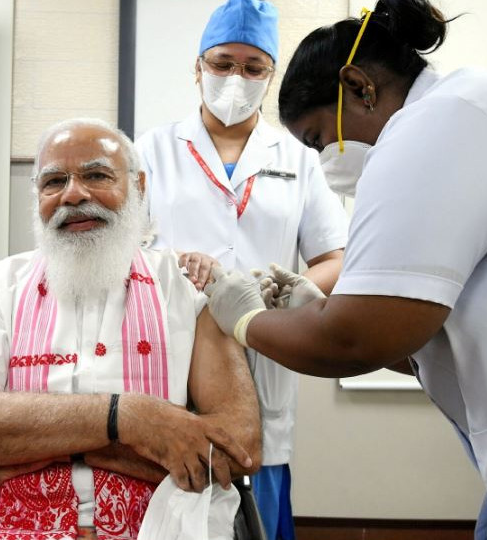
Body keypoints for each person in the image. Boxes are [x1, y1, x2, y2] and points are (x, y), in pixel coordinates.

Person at [203, 0, 487, 538]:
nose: (323, 159)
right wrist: (320, 311)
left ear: (359, 87)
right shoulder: (457, 113)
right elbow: (417, 335)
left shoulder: (432, 128)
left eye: (318, 139)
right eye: (220, 64)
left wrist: (244, 317)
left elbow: (354, 341)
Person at [0, 118, 262, 540]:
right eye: (54, 181)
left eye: (96, 175)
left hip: (159, 524)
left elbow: (239, 447)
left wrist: (38, 444)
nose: (73, 193)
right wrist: (131, 419)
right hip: (10, 522)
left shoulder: (186, 288)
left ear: (138, 186)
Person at [134, 1, 349, 538]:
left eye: (254, 68)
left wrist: (282, 292)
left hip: (265, 350)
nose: (237, 78)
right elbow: (123, 252)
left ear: (270, 75)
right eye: (223, 63)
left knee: (258, 497)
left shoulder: (298, 157)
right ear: (199, 66)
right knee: (169, 500)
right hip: (171, 351)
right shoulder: (152, 151)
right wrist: (173, 269)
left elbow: (334, 257)